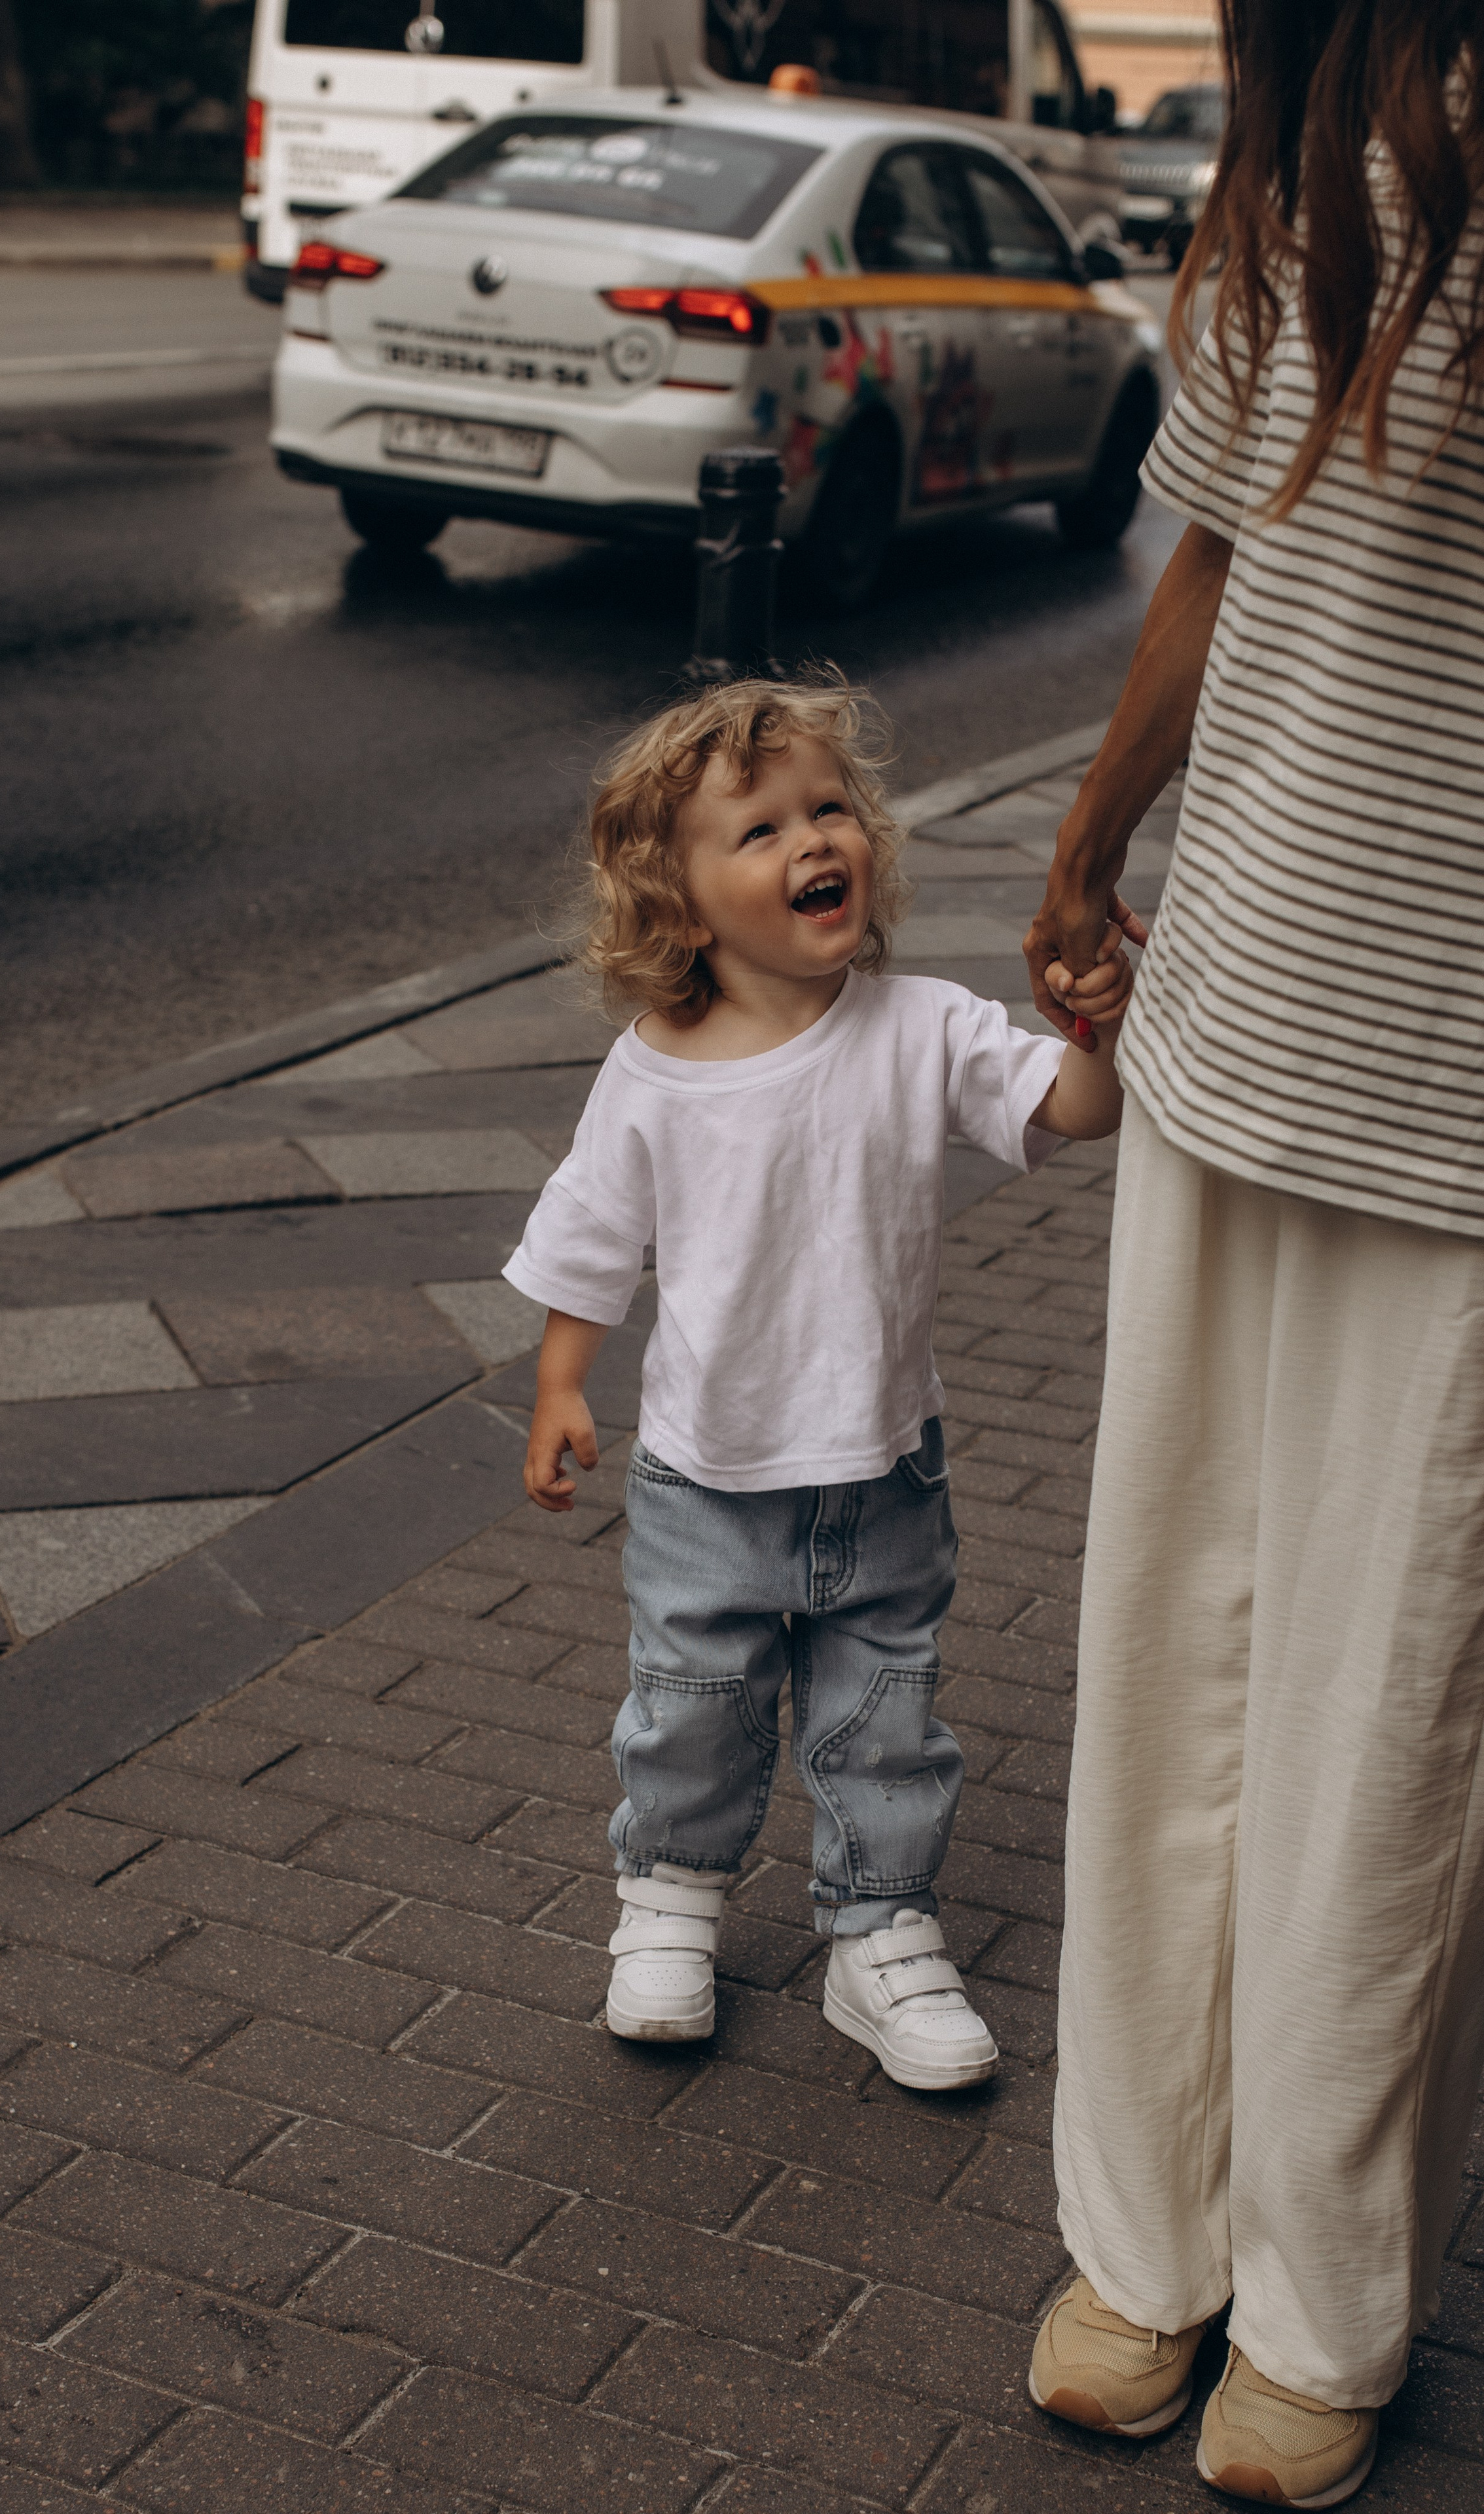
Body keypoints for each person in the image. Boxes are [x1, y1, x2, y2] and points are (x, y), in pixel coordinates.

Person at [1020, 3, 1484, 2503]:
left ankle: (1324, 2293)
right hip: (1241, 997)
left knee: (1381, 1721)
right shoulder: (1295, 149)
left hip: (1469, 1078)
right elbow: (1218, 541)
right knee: (1173, 1648)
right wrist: (1095, 837)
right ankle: (1142, 2238)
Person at [501, 675, 1130, 2086]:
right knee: (690, 1707)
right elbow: (587, 1238)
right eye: (760, 828)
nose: (812, 840)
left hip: (883, 1468)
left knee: (883, 1719)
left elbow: (1077, 1117)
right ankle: (666, 1906)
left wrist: (1090, 1022)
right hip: (702, 1478)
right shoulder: (653, 1074)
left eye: (827, 808)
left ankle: (881, 1933)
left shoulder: (923, 1029)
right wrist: (559, 1387)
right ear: (677, 900)